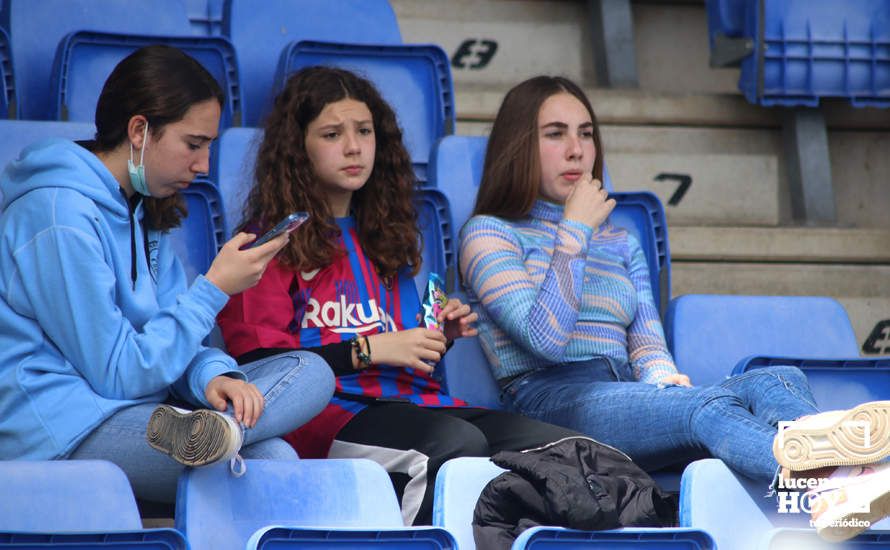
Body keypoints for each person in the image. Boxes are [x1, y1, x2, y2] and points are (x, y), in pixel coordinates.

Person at [458, 75, 890, 541]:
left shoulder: (620, 242)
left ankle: (831, 474)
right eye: (555, 133)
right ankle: (830, 485)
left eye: (586, 133)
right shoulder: (489, 234)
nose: (577, 150)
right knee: (710, 407)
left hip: (622, 393)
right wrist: (574, 232)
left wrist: (663, 381)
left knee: (778, 377)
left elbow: (645, 343)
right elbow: (545, 338)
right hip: (550, 401)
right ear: (518, 146)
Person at [217, 66, 584, 526]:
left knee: (563, 449)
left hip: (415, 405)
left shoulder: (385, 236)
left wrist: (437, 336)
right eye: (332, 133)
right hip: (332, 417)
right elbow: (262, 366)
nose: (354, 147)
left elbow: (402, 344)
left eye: (365, 132)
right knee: (455, 449)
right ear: (297, 149)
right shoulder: (265, 245)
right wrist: (370, 350)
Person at [0, 46, 334, 503]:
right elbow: (117, 373)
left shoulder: (141, 210)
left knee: (310, 373)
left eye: (210, 147)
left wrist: (217, 380)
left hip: (148, 413)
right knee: (269, 462)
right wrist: (214, 289)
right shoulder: (56, 213)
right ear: (140, 130)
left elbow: (176, 340)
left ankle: (219, 430)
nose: (204, 166)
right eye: (193, 144)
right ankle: (216, 433)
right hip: (63, 430)